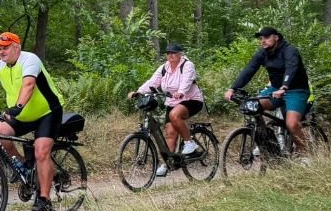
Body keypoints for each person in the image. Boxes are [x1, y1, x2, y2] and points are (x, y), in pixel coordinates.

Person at [0, 31, 63, 211]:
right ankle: (23, 164)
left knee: (41, 152)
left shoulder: (30, 59)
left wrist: (18, 106)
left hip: (47, 112)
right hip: (22, 115)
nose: (1, 51)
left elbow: (29, 85)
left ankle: (44, 197)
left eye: (5, 47)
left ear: (17, 47)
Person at [224, 26, 311, 156]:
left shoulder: (289, 50)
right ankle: (265, 141)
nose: (263, 40)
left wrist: (284, 86)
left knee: (292, 124)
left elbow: (291, 68)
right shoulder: (263, 53)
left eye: (266, 37)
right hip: (275, 89)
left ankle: (306, 155)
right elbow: (249, 70)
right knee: (253, 106)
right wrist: (233, 88)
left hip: (296, 90)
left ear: (276, 37)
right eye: (261, 38)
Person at [128, 42, 206, 177]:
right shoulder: (164, 68)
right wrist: (139, 91)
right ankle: (169, 162)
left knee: (175, 116)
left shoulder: (187, 66)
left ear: (180, 54)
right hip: (172, 102)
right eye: (168, 53)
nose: (170, 55)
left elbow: (187, 81)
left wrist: (181, 91)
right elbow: (153, 82)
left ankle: (190, 143)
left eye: (173, 53)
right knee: (170, 133)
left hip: (191, 100)